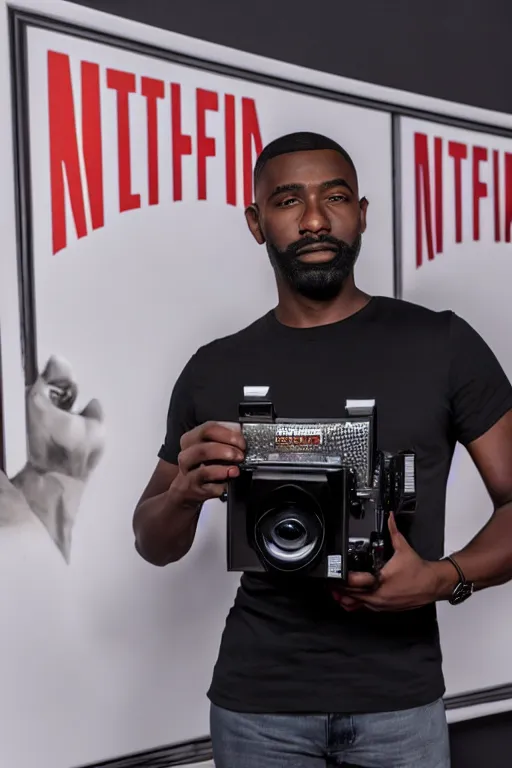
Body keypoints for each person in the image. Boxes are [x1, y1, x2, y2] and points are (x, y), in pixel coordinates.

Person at [132, 132, 512, 768]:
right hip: (257, 704)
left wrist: (441, 579)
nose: (313, 218)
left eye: (334, 197)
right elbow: (153, 542)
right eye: (287, 200)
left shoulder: (441, 344)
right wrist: (182, 492)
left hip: (400, 699)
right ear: (257, 223)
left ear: (362, 213)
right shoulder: (214, 369)